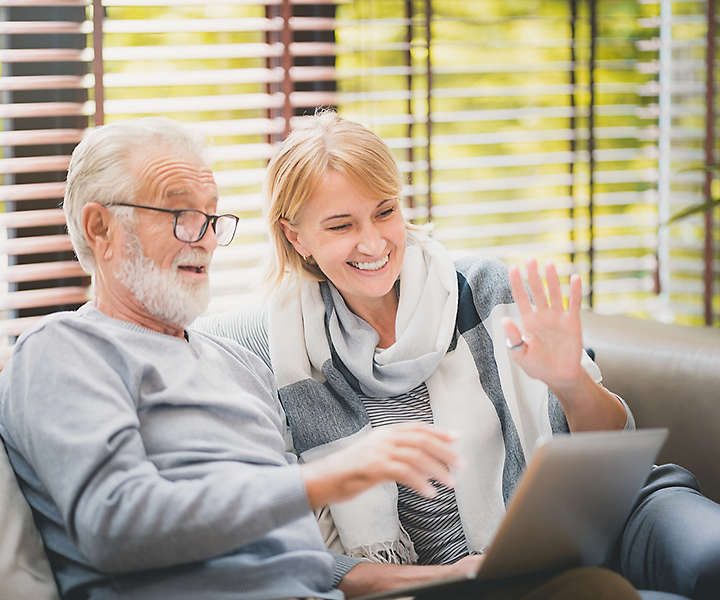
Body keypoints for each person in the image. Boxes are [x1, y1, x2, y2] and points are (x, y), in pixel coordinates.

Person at [0, 117, 641, 600]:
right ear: (99, 229)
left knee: (590, 588)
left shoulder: (239, 365)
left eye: (210, 218)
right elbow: (116, 527)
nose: (205, 241)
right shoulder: (63, 352)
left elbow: (316, 563)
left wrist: (463, 574)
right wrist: (332, 477)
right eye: (179, 217)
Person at [201, 111, 719, 599]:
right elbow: (293, 550)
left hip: (607, 520)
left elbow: (611, 450)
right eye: (341, 226)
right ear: (298, 236)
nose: (374, 242)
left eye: (385, 211)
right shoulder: (273, 351)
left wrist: (569, 382)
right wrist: (454, 575)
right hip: (459, 582)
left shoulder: (485, 289)